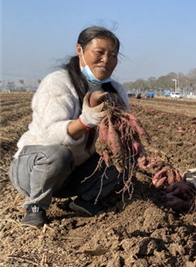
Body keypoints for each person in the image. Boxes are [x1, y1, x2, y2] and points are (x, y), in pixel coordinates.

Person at [9, 26, 129, 227]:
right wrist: (85, 121)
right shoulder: (59, 82)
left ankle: (86, 200)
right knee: (59, 154)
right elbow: (53, 136)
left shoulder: (116, 91)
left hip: (74, 173)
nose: (106, 60)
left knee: (122, 158)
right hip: (34, 169)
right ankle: (36, 207)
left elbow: (123, 131)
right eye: (99, 52)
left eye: (113, 55)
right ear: (80, 50)